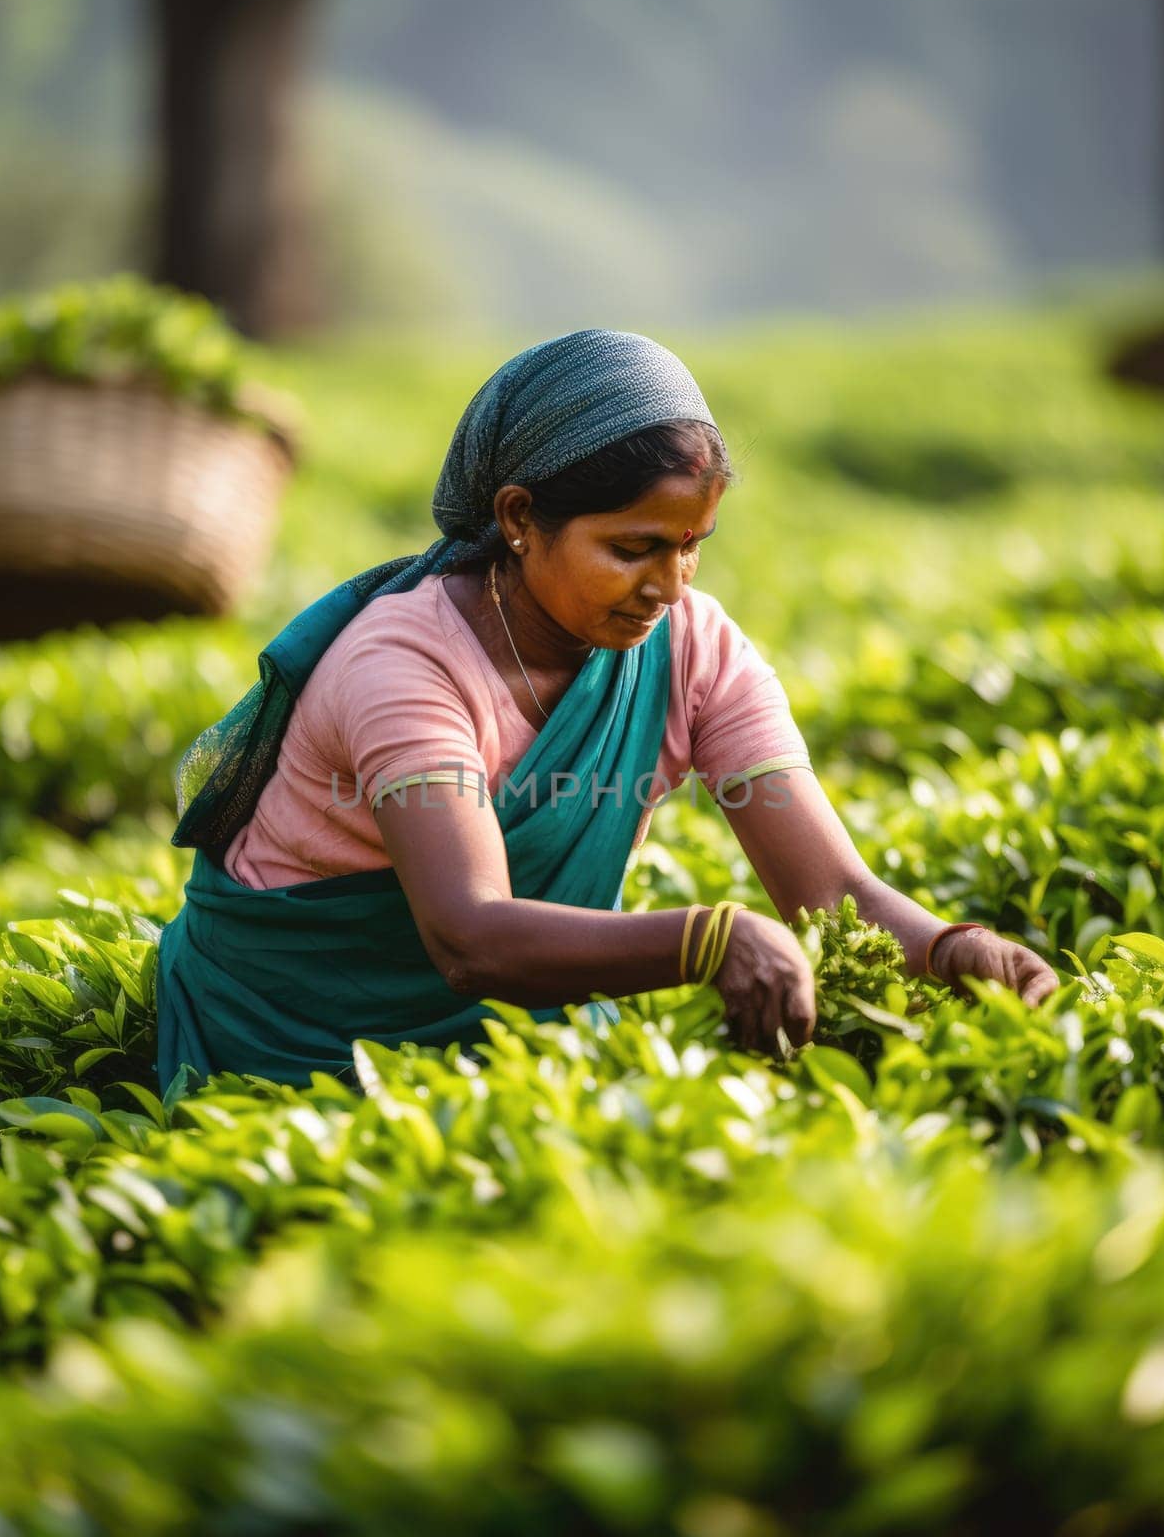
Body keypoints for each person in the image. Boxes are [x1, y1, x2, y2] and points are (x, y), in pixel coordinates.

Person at [156, 329, 1056, 1091]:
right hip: (288, 1048)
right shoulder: (404, 665)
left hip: (512, 1050)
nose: (668, 586)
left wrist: (951, 949)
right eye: (632, 549)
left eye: (692, 548)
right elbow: (469, 935)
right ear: (518, 517)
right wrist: (709, 939)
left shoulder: (695, 650)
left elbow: (833, 894)